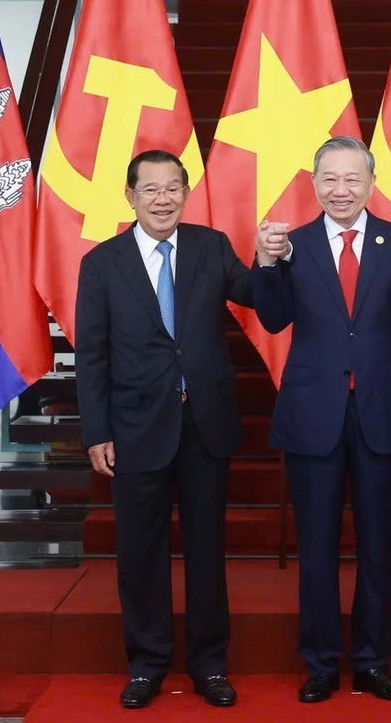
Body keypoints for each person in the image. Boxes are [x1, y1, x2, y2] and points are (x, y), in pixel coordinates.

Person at [251, 136, 391, 704]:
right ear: (314, 183)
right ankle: (318, 663)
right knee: (315, 547)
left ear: (371, 183)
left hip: (381, 411)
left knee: (378, 547)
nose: (341, 190)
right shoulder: (293, 244)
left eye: (353, 179)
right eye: (330, 179)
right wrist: (264, 263)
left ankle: (370, 661)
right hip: (315, 413)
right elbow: (273, 315)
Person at [75, 150, 253, 710]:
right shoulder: (102, 264)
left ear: (185, 192)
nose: (163, 198)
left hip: (204, 425)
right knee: (140, 552)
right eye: (150, 189)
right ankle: (148, 664)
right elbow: (93, 356)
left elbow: (255, 296)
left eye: (173, 188)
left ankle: (209, 664)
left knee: (207, 549)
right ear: (130, 197)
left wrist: (275, 259)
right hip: (134, 428)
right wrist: (96, 430)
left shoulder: (211, 246)